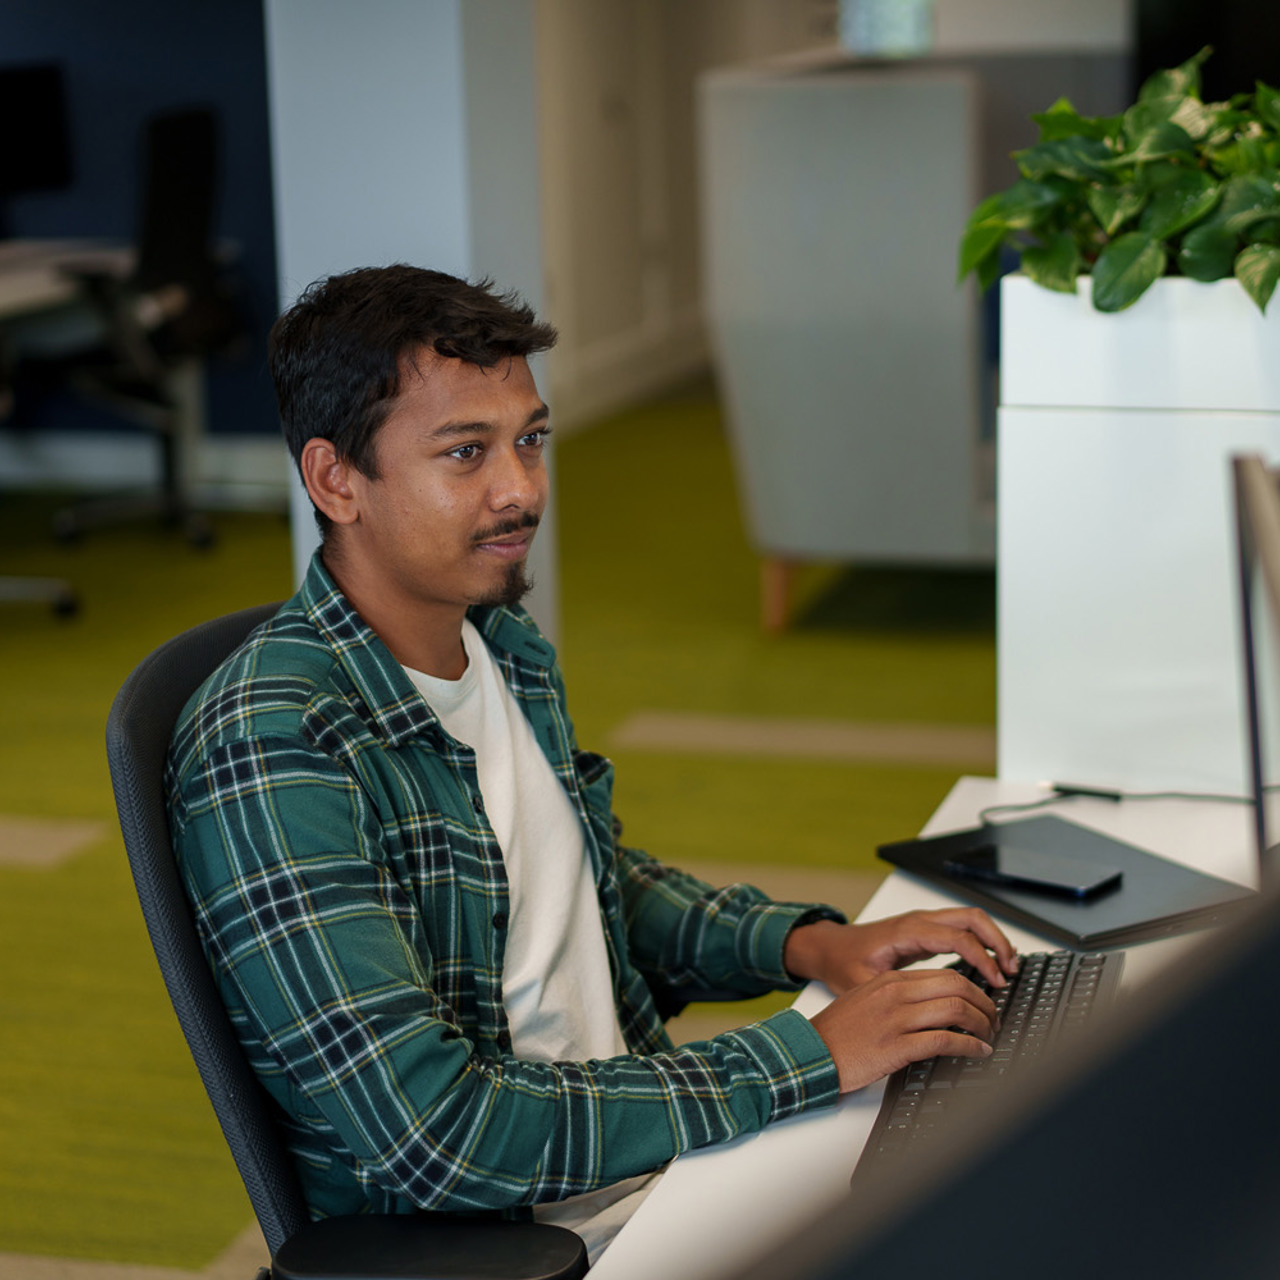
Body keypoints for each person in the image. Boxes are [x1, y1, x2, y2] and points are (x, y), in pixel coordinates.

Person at [166, 265, 1016, 1264]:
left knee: (1026, 1161)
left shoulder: (499, 643)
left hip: (660, 1144)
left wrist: (808, 946)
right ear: (334, 479)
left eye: (530, 440)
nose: (518, 489)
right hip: (527, 1233)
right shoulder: (273, 741)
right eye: (464, 453)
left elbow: (579, 882)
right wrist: (805, 1055)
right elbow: (436, 1133)